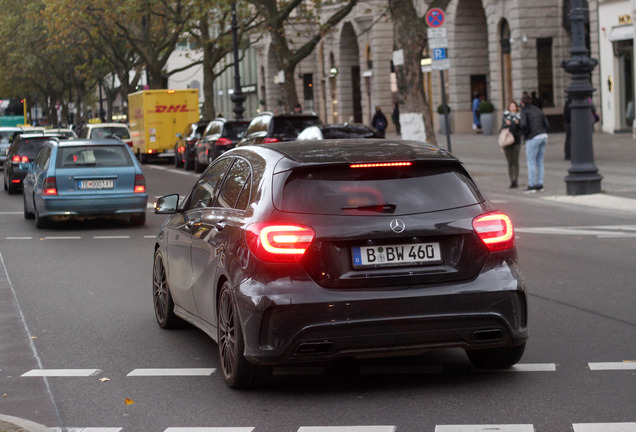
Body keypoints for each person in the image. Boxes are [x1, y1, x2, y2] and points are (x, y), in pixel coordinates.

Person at [520, 93, 550, 193]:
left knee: (531, 161)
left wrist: (526, 135)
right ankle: (540, 184)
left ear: (522, 102)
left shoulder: (524, 110)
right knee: (540, 161)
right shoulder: (537, 109)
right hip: (543, 135)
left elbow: (523, 124)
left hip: (533, 136)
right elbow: (547, 124)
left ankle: (532, 185)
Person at [500, 100, 522, 188]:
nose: (512, 108)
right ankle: (511, 181)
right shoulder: (505, 116)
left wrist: (512, 124)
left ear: (516, 108)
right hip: (507, 141)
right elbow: (502, 127)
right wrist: (512, 123)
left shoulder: (520, 116)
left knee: (515, 161)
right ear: (509, 108)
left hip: (516, 141)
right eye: (511, 106)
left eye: (514, 106)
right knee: (510, 162)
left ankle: (516, 180)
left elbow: (520, 129)